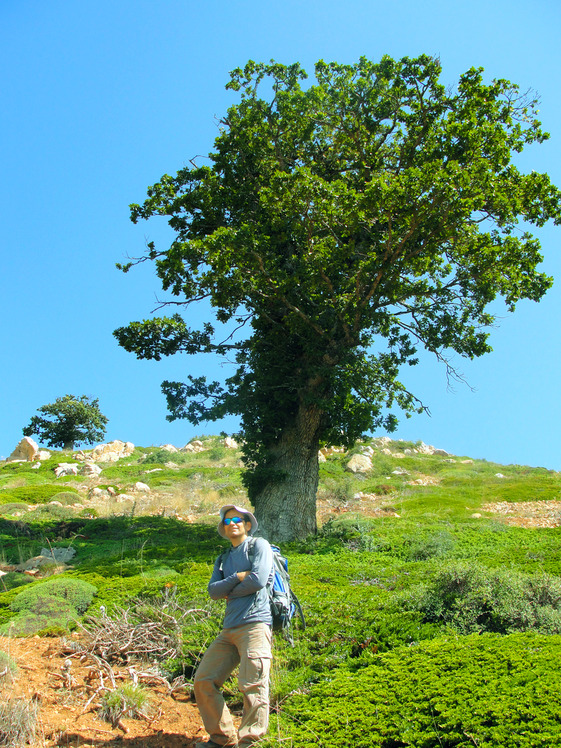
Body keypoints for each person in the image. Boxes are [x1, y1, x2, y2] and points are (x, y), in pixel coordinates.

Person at [194, 504, 274, 748]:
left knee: (253, 685)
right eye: (227, 522)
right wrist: (237, 578)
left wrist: (231, 591)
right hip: (229, 630)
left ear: (247, 524)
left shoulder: (259, 545)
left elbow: (259, 579)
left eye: (237, 520)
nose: (233, 524)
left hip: (255, 625)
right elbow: (213, 591)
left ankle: (251, 742)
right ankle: (222, 738)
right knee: (204, 680)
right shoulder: (223, 558)